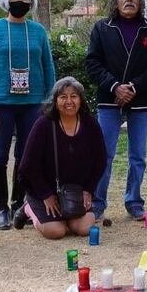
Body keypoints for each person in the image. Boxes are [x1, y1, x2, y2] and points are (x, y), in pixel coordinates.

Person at [85, 0, 147, 223]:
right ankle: (98, 205)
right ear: (116, 1)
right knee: (104, 153)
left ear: (140, 1)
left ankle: (134, 202)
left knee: (138, 155)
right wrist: (115, 86)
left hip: (139, 100)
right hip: (109, 100)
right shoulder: (102, 28)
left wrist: (133, 87)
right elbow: (92, 63)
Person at [0, 0, 55, 230]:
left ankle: (18, 204)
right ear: (6, 0)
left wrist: (50, 100)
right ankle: (0, 208)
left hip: (32, 103)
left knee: (26, 155)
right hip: (1, 103)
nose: (21, 1)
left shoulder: (38, 31)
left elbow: (48, 67)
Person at [14, 77, 105, 238]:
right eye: (63, 97)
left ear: (81, 100)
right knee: (56, 232)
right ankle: (28, 208)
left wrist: (88, 190)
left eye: (74, 96)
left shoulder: (90, 124)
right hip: (45, 190)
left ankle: (67, 216)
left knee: (83, 229)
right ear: (55, 101)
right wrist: (45, 195)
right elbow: (28, 165)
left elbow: (100, 160)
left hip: (74, 191)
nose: (69, 101)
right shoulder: (43, 125)